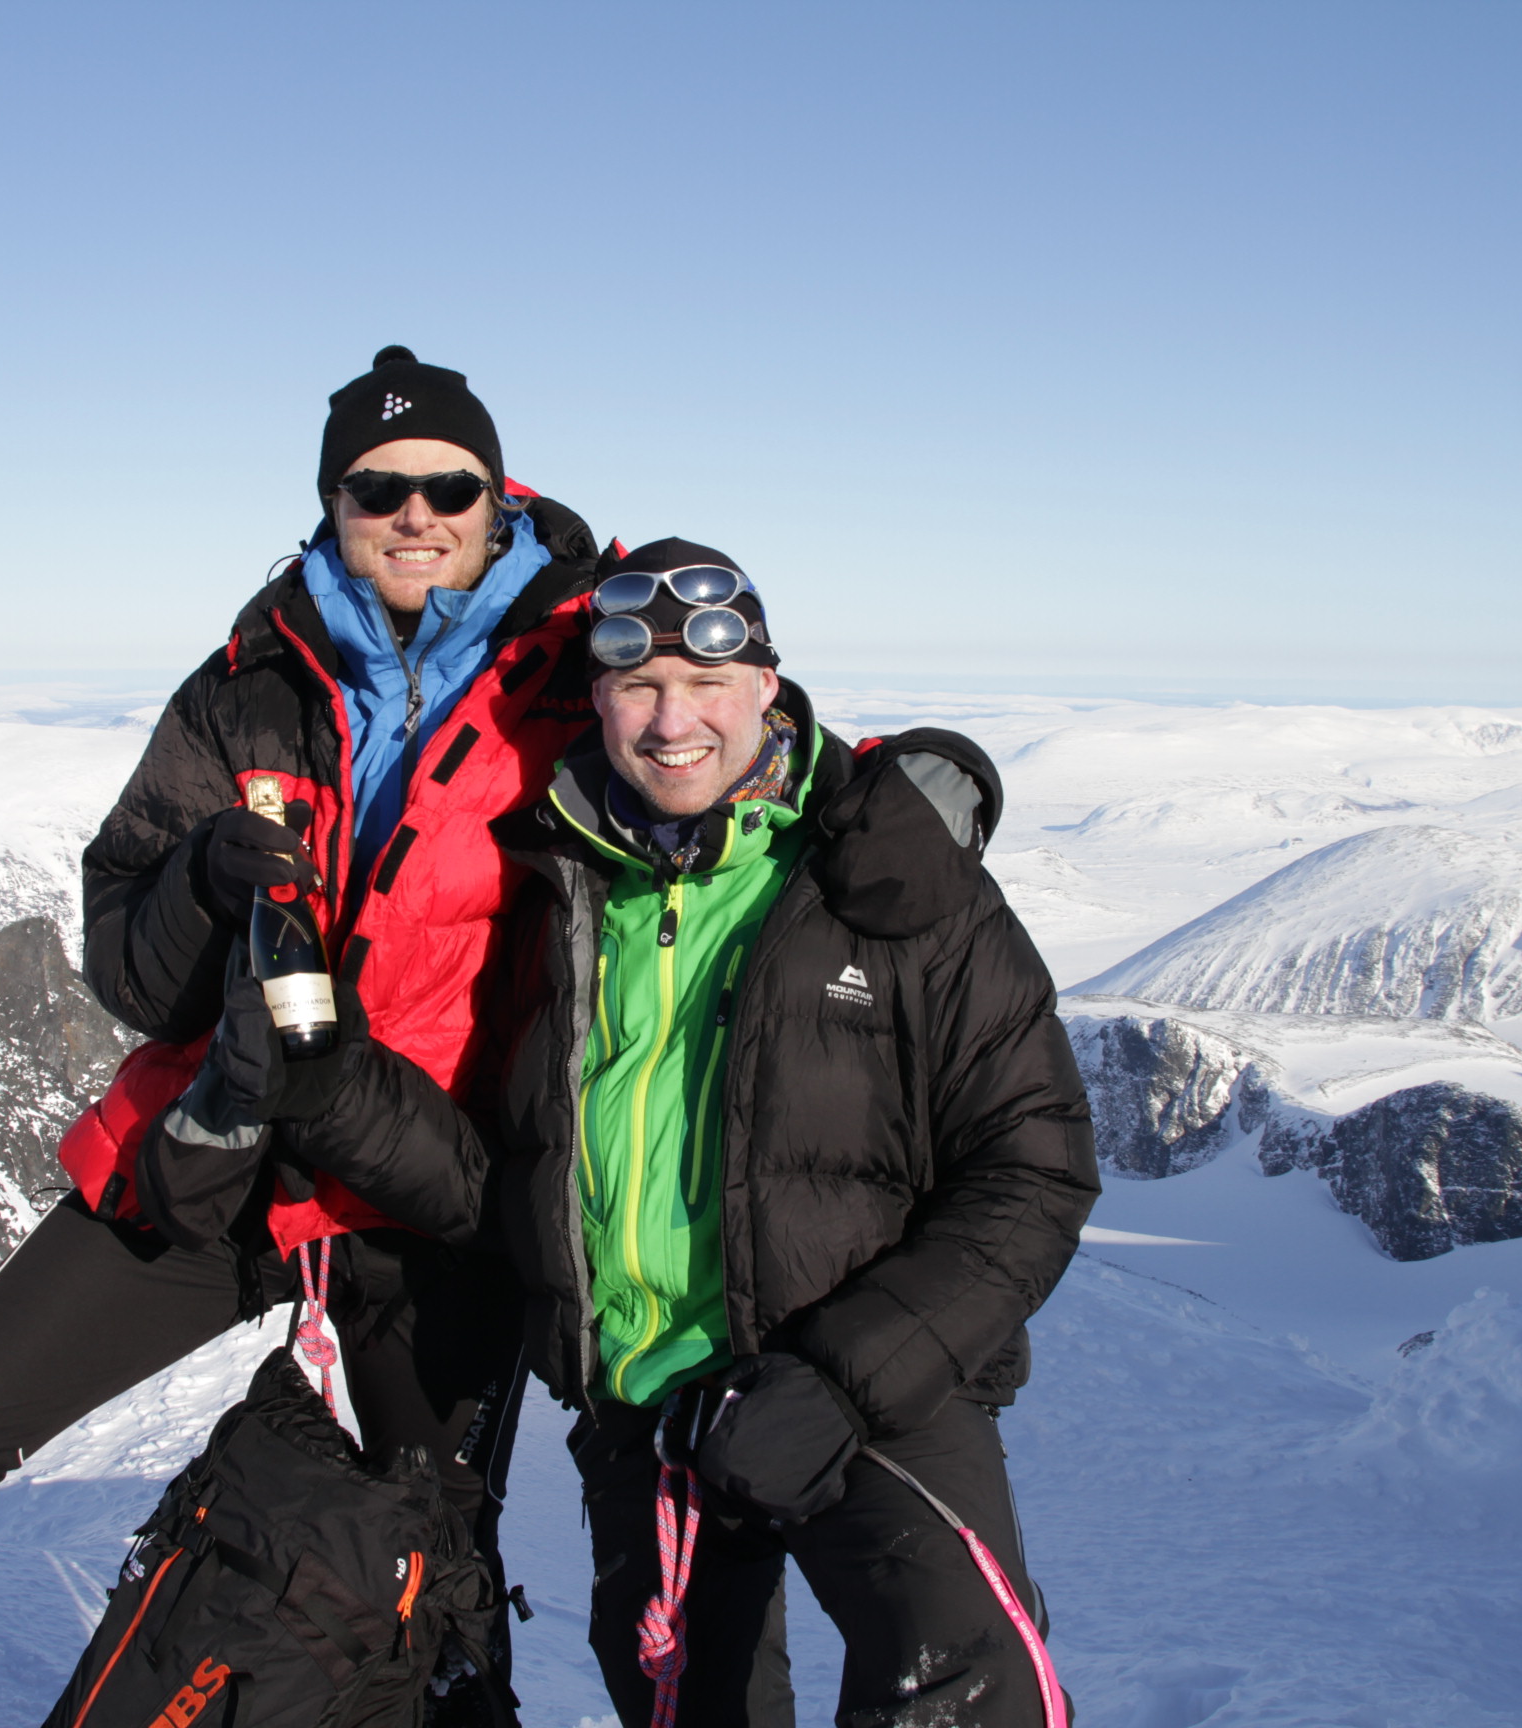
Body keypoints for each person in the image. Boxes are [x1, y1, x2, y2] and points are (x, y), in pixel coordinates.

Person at [0, 348, 605, 1728]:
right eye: (381, 486)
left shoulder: (578, 672)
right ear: (334, 501)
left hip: (430, 1188)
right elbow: (133, 970)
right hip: (218, 1149)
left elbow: (723, 764)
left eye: (451, 483)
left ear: (498, 498)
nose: (418, 511)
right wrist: (203, 881)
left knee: (431, 1555)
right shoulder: (248, 680)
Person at [247, 537, 1101, 1726]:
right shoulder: (557, 886)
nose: (671, 720)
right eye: (637, 685)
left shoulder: (890, 881)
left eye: (707, 683)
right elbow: (518, 1183)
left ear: (766, 686)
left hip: (872, 1391)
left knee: (966, 1689)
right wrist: (326, 1081)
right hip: (647, 1414)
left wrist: (841, 1383)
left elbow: (1036, 1166)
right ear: (595, 700)